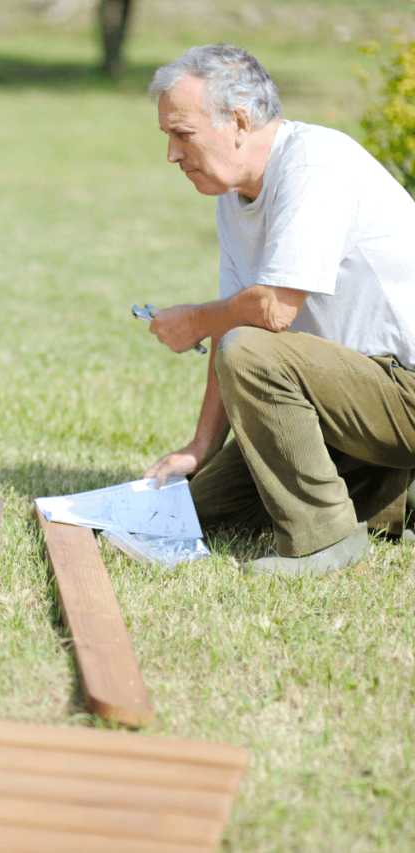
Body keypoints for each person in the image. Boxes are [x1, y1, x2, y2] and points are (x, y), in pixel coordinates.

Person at [143, 44, 415, 576]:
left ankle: (325, 541)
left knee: (251, 348)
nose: (172, 154)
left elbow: (270, 312)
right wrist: (201, 447)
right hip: (356, 393)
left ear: (240, 121)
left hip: (403, 387)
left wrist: (192, 321)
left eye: (182, 134)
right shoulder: (232, 195)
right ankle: (394, 494)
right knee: (196, 512)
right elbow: (233, 322)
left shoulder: (315, 164)